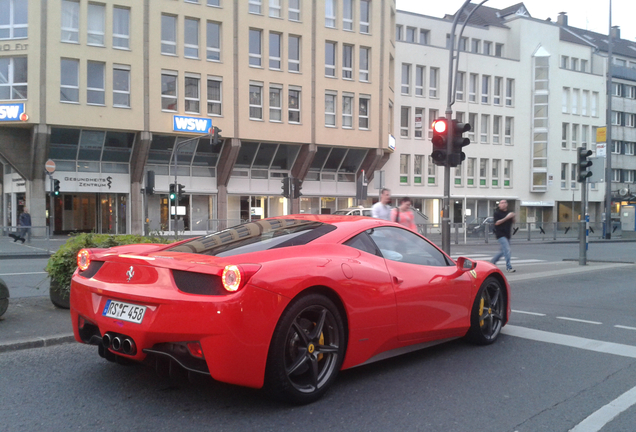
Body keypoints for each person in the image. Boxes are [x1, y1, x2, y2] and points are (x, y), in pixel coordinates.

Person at [491, 200, 515, 273]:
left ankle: (492, 263)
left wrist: (513, 216)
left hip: (507, 235)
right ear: (499, 205)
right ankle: (509, 267)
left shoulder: (509, 213)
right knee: (507, 250)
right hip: (500, 234)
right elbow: (497, 223)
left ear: (507, 204)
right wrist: (507, 218)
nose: (503, 204)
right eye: (501, 203)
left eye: (505, 203)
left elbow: (513, 221)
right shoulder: (497, 213)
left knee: (502, 252)